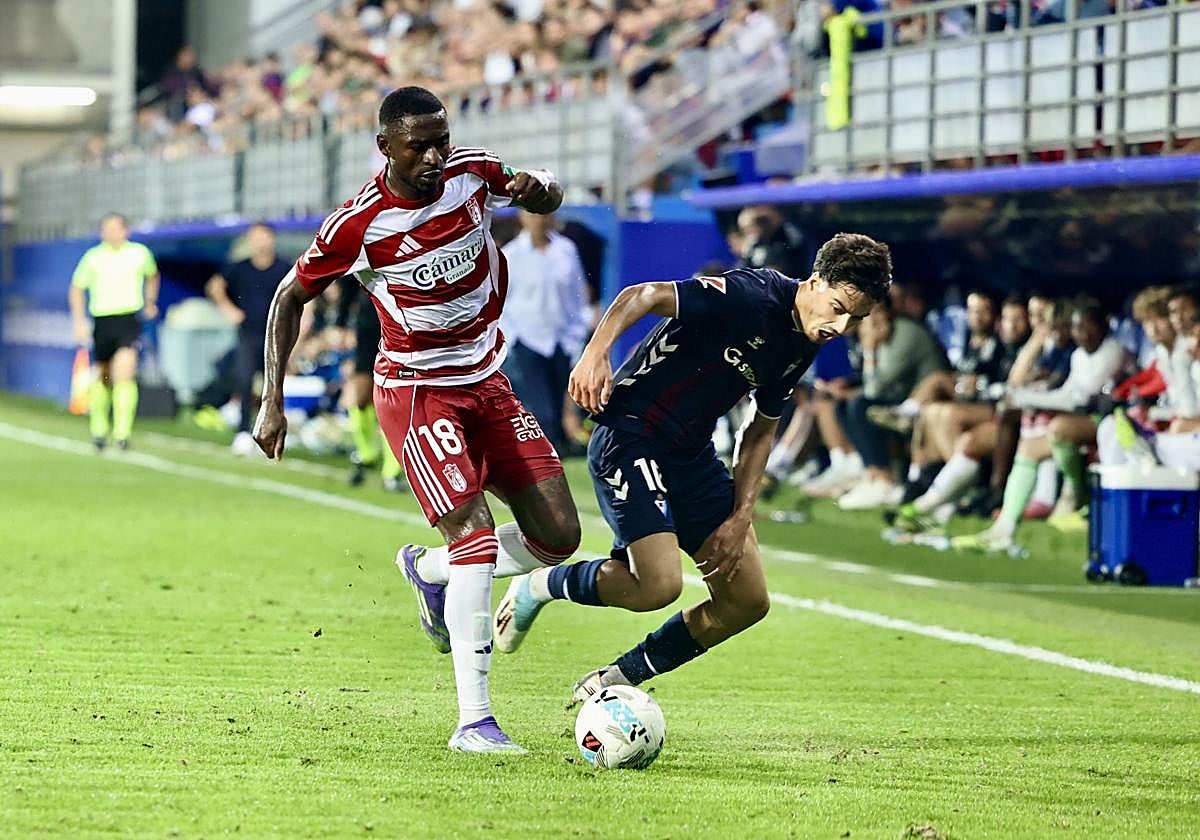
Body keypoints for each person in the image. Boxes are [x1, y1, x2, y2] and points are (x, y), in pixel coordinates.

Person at [252, 87, 581, 754]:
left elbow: (542, 192)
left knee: (559, 538)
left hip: (487, 379)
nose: (435, 155)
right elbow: (291, 295)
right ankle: (474, 721)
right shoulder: (358, 223)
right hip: (417, 390)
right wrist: (272, 397)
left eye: (441, 140)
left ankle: (427, 572)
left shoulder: (472, 171)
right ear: (385, 149)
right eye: (419, 145)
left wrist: (536, 187)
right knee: (477, 540)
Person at [491, 233, 892, 700]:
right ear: (816, 280)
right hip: (631, 434)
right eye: (839, 307)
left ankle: (612, 683)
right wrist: (595, 354)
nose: (841, 326)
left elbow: (760, 431)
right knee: (656, 587)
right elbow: (641, 295)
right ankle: (539, 585)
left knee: (746, 602)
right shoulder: (750, 294)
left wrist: (741, 517)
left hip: (691, 455)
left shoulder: (804, 342)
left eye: (856, 319)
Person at [952, 299, 1129, 553]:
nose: (1084, 334)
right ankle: (1005, 529)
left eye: (1089, 327)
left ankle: (1076, 493)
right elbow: (1067, 393)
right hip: (1085, 421)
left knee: (1059, 427)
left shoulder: (1113, 351)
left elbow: (1078, 399)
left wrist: (1024, 398)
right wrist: (1025, 398)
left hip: (1112, 422)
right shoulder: (1079, 355)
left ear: (1104, 327)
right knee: (1029, 447)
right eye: (1078, 329)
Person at [499, 210, 593, 455]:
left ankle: (556, 447)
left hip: (562, 340)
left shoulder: (566, 251)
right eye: (535, 214)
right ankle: (544, 456)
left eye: (545, 213)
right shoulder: (511, 255)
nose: (540, 219)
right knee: (540, 408)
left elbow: (577, 297)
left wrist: (577, 331)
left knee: (559, 399)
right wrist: (512, 338)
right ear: (522, 217)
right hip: (527, 340)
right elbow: (501, 302)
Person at [68, 213, 160, 451]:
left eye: (114, 228)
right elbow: (77, 288)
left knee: (124, 372)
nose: (110, 233)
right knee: (103, 376)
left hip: (128, 319)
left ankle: (122, 432)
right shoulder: (94, 257)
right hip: (102, 320)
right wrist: (79, 321)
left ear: (125, 230)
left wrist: (150, 301)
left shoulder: (139, 253)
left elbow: (152, 275)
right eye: (105, 228)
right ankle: (99, 428)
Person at [206, 222, 292, 455]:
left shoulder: (283, 267)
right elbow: (215, 286)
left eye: (262, 237)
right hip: (248, 334)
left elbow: (301, 293)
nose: (258, 242)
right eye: (254, 237)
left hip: (275, 336)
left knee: (274, 387)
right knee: (244, 381)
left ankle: (276, 432)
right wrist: (228, 309)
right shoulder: (239, 268)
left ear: (271, 239)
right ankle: (243, 431)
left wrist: (300, 325)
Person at [345, 292, 406, 491]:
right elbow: (348, 284)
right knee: (361, 397)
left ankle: (392, 471)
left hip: (400, 330)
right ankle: (366, 453)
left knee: (392, 402)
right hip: (368, 328)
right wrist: (341, 321)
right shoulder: (364, 260)